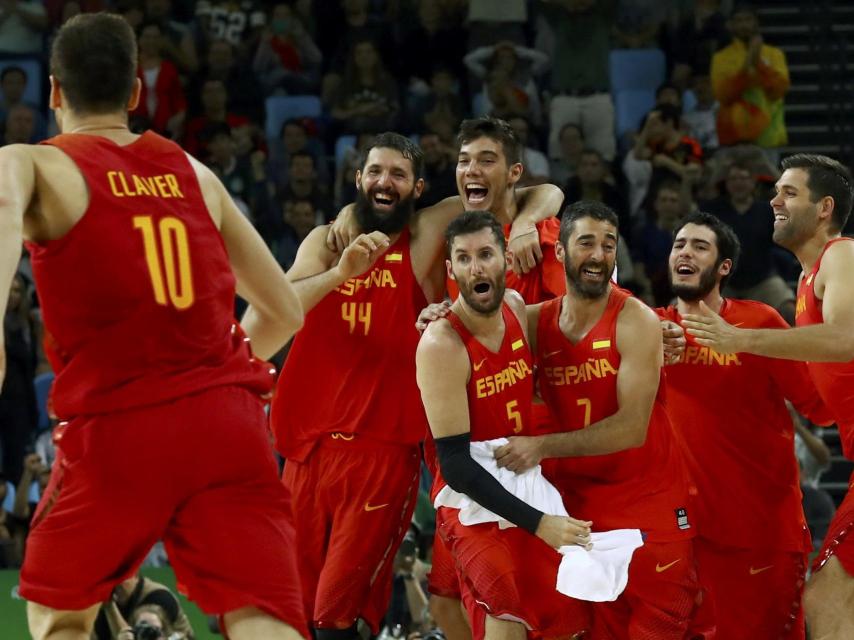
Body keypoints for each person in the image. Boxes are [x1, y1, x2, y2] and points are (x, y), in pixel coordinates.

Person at [0, 13, 305, 640]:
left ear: (53, 91)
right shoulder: (196, 173)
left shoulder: (29, 163)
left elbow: (5, 205)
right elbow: (283, 312)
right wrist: (215, 376)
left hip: (118, 431)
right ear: (137, 93)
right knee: (262, 618)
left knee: (61, 619)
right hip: (229, 426)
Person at [271, 132, 561, 640]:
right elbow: (283, 307)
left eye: (399, 175)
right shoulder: (324, 241)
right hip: (307, 450)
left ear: (418, 187)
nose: (386, 182)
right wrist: (341, 272)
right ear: (357, 179)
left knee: (335, 618)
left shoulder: (425, 235)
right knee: (289, 612)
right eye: (376, 172)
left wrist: (530, 223)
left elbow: (536, 193)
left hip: (382, 450)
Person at [493, 201, 699, 639]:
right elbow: (474, 332)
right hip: (578, 512)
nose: (600, 254)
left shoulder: (636, 319)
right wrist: (438, 317)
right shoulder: (533, 323)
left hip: (648, 506)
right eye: (586, 242)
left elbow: (631, 428)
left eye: (609, 245)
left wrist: (542, 447)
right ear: (561, 254)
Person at [682, 153, 854, 638]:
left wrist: (741, 341)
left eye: (788, 193)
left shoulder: (841, 254)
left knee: (826, 597)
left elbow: (846, 337)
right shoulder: (805, 281)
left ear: (824, 207)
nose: (773, 200)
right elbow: (821, 399)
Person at [416, 210, 592, 640]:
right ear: (451, 270)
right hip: (472, 495)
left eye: (485, 254)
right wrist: (539, 523)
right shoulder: (441, 343)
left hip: (525, 475)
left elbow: (572, 324)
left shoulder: (515, 307)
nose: (475, 267)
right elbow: (455, 464)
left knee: (566, 622)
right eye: (463, 258)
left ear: (506, 264)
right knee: (506, 618)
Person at [660, 211, 833, 639]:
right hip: (679, 534)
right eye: (680, 244)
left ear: (723, 268)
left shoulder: (758, 323)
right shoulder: (647, 327)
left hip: (760, 533)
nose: (685, 252)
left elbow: (820, 406)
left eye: (700, 246)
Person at [711, 4, 789, 151]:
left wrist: (758, 63)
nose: (744, 25)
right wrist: (748, 65)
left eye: (748, 20)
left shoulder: (774, 54)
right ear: (731, 25)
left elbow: (778, 91)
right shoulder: (721, 58)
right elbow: (723, 95)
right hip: (734, 137)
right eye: (738, 21)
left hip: (768, 136)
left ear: (756, 23)